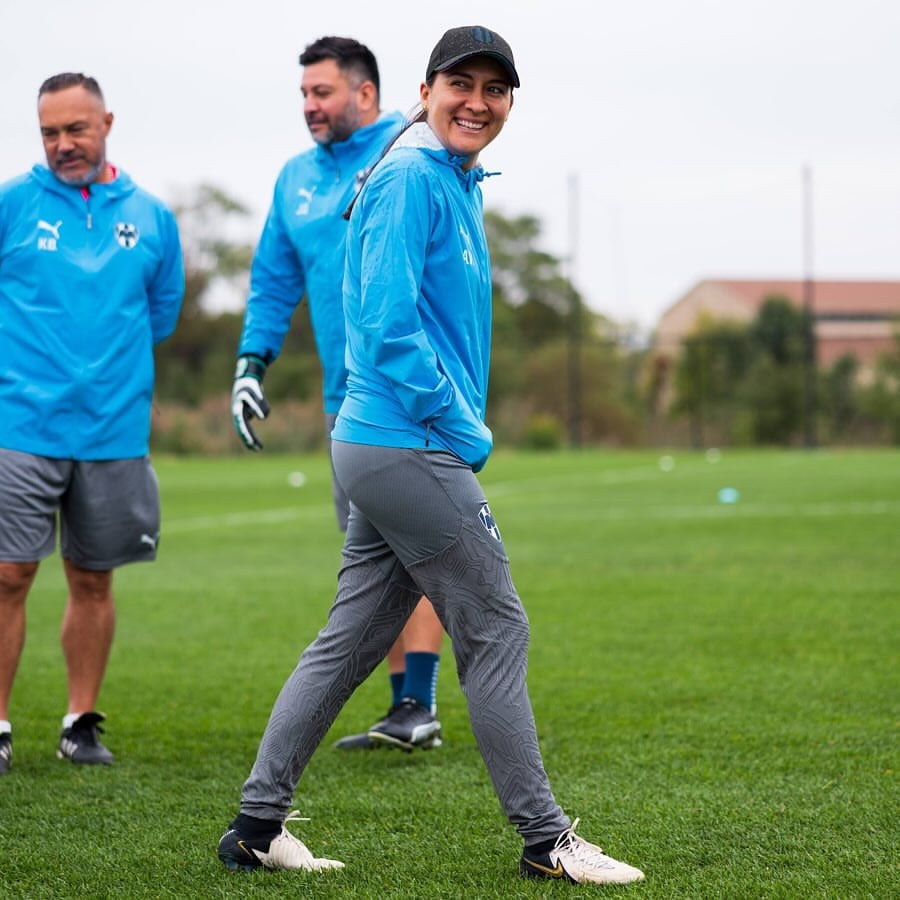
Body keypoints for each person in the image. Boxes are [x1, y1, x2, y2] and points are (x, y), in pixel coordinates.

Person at [216, 26, 645, 885]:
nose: (478, 101)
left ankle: (256, 825)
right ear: (427, 88)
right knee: (495, 627)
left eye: (496, 89)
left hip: (380, 444)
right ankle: (545, 840)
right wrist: (462, 424)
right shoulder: (413, 175)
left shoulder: (445, 172)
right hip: (406, 441)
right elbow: (384, 326)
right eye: (462, 83)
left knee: (348, 641)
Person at [230, 36, 445, 752]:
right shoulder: (295, 179)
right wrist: (250, 363)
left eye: (322, 93)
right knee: (370, 551)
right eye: (303, 95)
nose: (310, 107)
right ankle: (405, 708)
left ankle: (420, 700)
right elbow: (271, 279)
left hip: (414, 392)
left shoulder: (413, 148)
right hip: (343, 398)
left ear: (366, 93)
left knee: (425, 550)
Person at [0, 73, 184, 774]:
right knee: (9, 574)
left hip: (112, 430)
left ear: (106, 121)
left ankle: (80, 722)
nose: (62, 144)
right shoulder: (12, 205)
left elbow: (158, 312)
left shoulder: (151, 215)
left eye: (75, 129)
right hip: (19, 424)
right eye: (49, 132)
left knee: (94, 579)